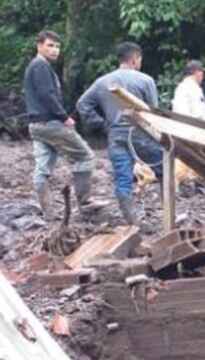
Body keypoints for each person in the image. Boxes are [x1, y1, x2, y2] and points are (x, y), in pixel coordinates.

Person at [76, 42, 163, 225]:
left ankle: (132, 222)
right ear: (135, 59)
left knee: (123, 180)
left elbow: (82, 104)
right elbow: (153, 112)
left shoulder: (102, 82)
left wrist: (101, 124)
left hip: (115, 135)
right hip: (141, 133)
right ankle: (169, 215)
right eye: (140, 59)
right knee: (164, 170)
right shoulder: (145, 80)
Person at [22, 30, 104, 218]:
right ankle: (85, 202)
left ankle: (49, 213)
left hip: (36, 125)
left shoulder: (36, 66)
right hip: (50, 123)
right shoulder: (40, 65)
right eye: (50, 46)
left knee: (42, 169)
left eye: (57, 47)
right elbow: (47, 95)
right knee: (85, 156)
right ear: (39, 46)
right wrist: (64, 117)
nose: (54, 50)